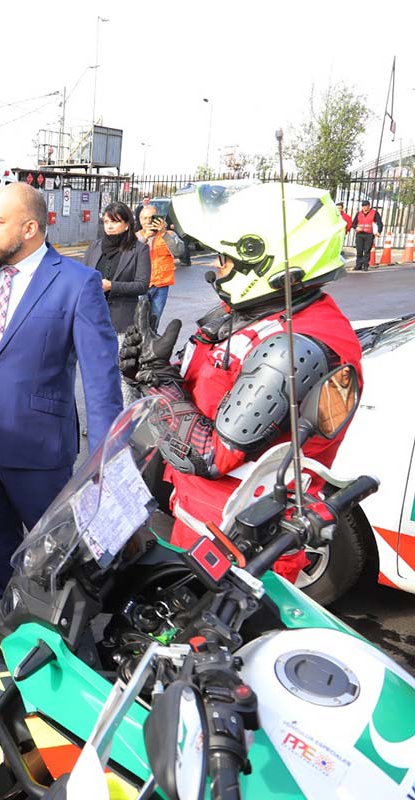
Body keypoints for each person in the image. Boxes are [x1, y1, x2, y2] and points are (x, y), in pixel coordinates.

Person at [120, 181, 363, 581]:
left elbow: (209, 454)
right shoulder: (258, 314)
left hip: (241, 554)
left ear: (268, 261)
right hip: (199, 525)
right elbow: (196, 388)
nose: (218, 270)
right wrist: (145, 369)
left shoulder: (294, 346)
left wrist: (156, 380)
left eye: (227, 260)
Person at [0, 183, 122, 650]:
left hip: (40, 452)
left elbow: (101, 380)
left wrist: (104, 461)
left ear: (30, 228)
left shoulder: (76, 283)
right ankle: (3, 625)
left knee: (53, 561)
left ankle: (65, 647)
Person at [83, 201, 150, 406]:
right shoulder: (95, 246)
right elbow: (83, 276)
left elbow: (142, 285)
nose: (109, 226)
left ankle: (126, 420)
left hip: (123, 320)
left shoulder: (139, 249)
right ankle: (102, 417)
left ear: (128, 224)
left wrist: (112, 286)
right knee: (98, 373)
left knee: (123, 373)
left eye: (115, 221)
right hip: (95, 320)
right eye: (106, 221)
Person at [137, 204, 183, 332]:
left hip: (161, 287)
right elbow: (128, 255)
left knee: (153, 322)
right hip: (140, 286)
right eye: (144, 218)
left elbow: (178, 252)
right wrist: (145, 237)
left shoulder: (169, 235)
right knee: (139, 322)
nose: (148, 221)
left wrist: (163, 233)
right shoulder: (135, 237)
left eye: (151, 218)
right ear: (140, 220)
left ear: (159, 219)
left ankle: (150, 348)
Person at [351, 199, 381, 271]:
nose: (364, 207)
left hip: (369, 234)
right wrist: (356, 227)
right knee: (359, 250)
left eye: (366, 206)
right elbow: (353, 224)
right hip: (360, 234)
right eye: (363, 206)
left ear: (369, 206)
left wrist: (379, 231)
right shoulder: (359, 214)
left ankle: (365, 265)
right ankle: (358, 265)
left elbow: (379, 223)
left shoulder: (374, 213)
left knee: (367, 250)